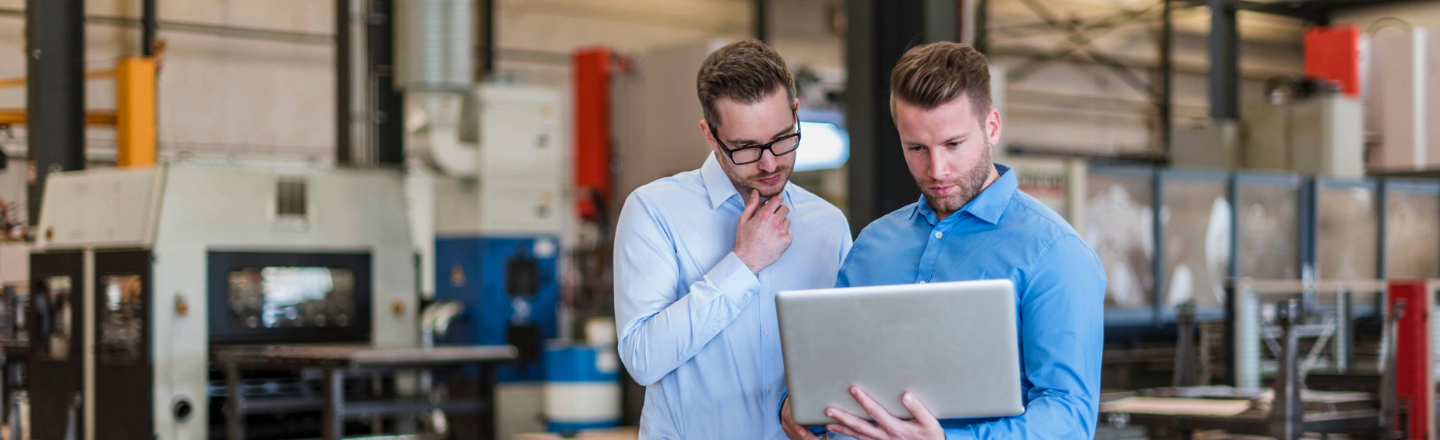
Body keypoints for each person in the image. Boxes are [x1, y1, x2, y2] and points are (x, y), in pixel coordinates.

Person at [780, 42, 1106, 440]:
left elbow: (1069, 418)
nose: (937, 169)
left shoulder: (1056, 254)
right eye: (916, 148)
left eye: (953, 145)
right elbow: (835, 374)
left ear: (992, 127)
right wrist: (801, 406)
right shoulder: (873, 245)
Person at [614, 40, 853, 440]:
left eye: (782, 138)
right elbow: (643, 358)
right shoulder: (654, 211)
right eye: (745, 148)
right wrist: (743, 263)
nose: (770, 163)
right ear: (710, 135)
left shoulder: (827, 224)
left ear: (796, 113)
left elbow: (844, 345)